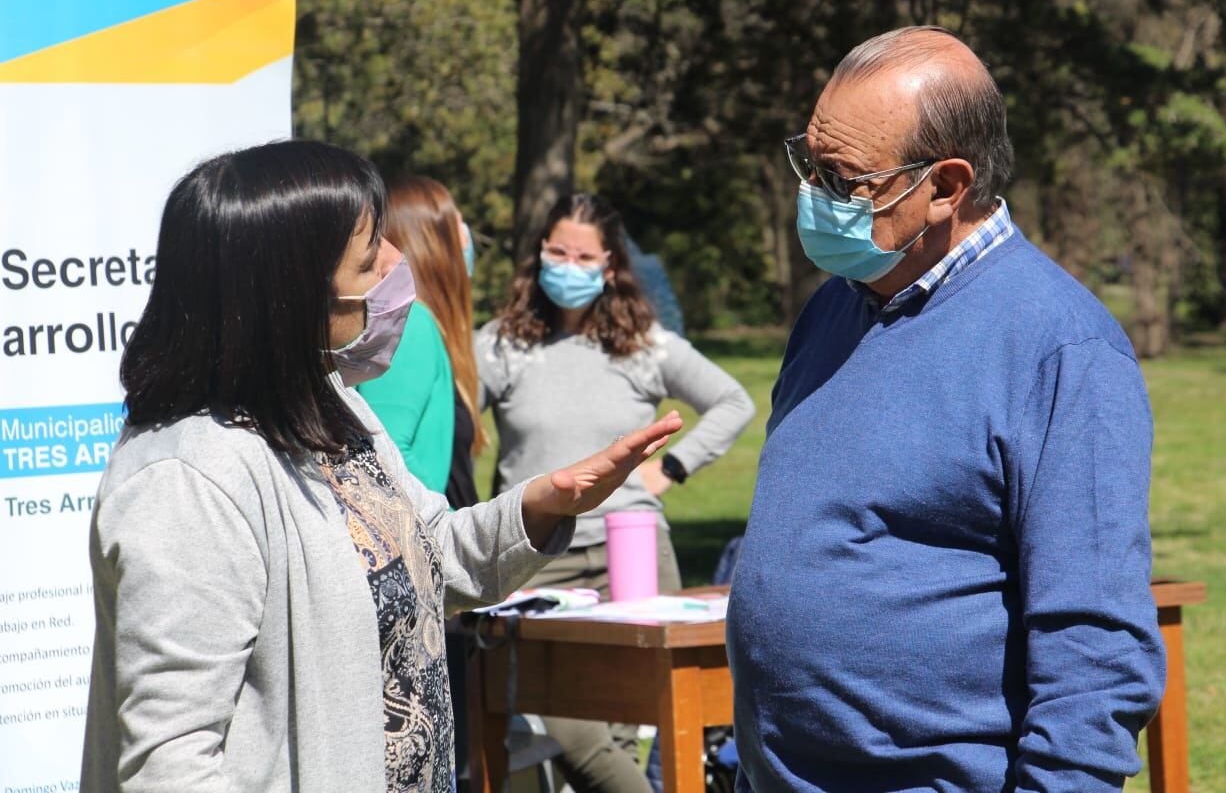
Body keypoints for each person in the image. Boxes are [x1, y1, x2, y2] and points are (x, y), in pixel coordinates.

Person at [80, 141, 683, 793]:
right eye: (371, 257)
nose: (398, 264)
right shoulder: (185, 481)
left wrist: (544, 504)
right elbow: (171, 765)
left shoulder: (328, 400)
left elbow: (426, 554)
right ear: (287, 288)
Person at [727, 26, 1167, 792]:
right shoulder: (834, 308)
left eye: (843, 179)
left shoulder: (1061, 346)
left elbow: (1096, 648)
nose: (813, 197)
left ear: (946, 186)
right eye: (809, 163)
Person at [477, 193, 755, 793]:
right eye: (557, 251)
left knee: (626, 727)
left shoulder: (644, 343)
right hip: (534, 554)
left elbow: (734, 401)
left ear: (609, 266)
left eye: (583, 256)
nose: (568, 266)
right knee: (558, 716)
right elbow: (446, 425)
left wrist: (669, 471)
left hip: (631, 548)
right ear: (538, 255)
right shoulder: (500, 345)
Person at [357, 175, 485, 511]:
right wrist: (445, 530)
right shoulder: (412, 324)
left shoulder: (428, 325)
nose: (467, 236)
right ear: (433, 238)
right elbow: (390, 449)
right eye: (457, 222)